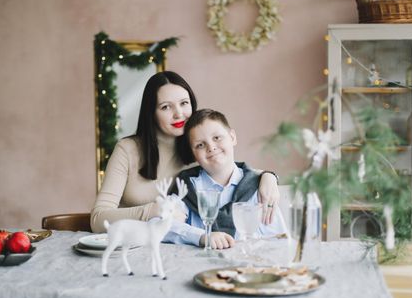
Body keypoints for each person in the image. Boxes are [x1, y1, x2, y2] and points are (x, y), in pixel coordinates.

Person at [90, 71, 279, 233]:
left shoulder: (198, 147)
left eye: (184, 103)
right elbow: (97, 219)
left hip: (173, 248)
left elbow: (230, 169)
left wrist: (268, 176)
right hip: (128, 244)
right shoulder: (128, 150)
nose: (179, 113)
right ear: (151, 113)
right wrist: (151, 211)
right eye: (166, 107)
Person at [164, 109, 287, 249]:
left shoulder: (259, 187)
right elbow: (162, 225)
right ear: (193, 154)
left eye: (217, 138)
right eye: (200, 145)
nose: (211, 147)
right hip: (199, 266)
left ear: (232, 137)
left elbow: (279, 240)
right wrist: (202, 236)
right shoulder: (187, 186)